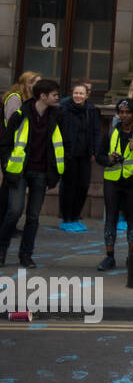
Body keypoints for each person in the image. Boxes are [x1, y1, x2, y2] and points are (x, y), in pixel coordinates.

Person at [0, 79, 63, 269]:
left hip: (42, 172)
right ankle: (2, 249)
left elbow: (62, 145)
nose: (58, 97)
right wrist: (6, 165)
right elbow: (6, 144)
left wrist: (55, 172)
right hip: (20, 172)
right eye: (54, 94)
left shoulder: (57, 116)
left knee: (33, 216)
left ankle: (26, 255)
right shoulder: (20, 115)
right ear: (43, 96)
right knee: (14, 211)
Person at [93, 98, 133, 272]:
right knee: (111, 218)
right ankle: (109, 256)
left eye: (127, 112)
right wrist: (109, 159)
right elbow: (99, 156)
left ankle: (132, 256)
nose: (124, 115)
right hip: (113, 180)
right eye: (121, 112)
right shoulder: (111, 131)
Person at [58, 81, 100, 232]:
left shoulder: (91, 110)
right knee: (69, 186)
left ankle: (76, 216)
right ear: (72, 93)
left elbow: (95, 131)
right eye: (76, 93)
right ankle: (67, 217)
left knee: (83, 186)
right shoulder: (64, 109)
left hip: (85, 154)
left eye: (81, 93)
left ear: (86, 95)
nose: (78, 96)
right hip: (69, 153)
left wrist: (95, 150)